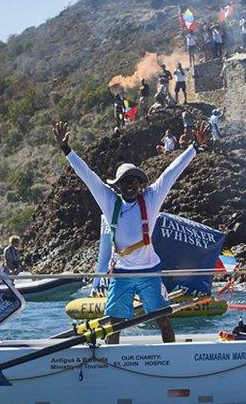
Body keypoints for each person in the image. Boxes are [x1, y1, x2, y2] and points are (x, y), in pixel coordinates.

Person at [52, 119, 209, 344]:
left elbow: (172, 172)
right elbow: (87, 176)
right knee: (115, 322)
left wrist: (194, 147)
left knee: (162, 318)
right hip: (122, 274)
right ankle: (112, 363)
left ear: (140, 184)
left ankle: (173, 358)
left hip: (150, 272)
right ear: (118, 185)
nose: (130, 185)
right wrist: (66, 150)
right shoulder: (109, 200)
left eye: (134, 181)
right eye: (125, 182)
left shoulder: (152, 198)